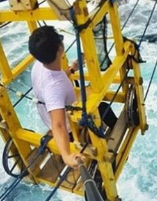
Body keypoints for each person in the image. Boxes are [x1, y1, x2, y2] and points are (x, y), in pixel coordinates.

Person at [29, 26, 117, 169]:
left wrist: (72, 69)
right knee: (102, 107)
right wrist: (66, 155)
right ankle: (115, 136)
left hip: (48, 116)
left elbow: (55, 78)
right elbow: (58, 124)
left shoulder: (39, 65)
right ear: (59, 49)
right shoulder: (55, 87)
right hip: (70, 128)